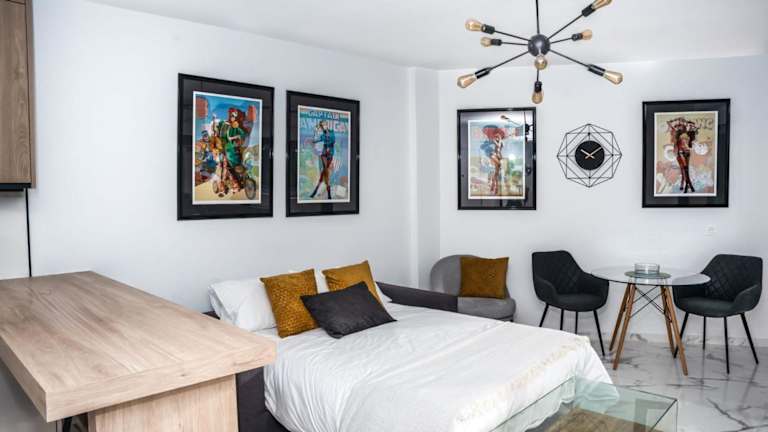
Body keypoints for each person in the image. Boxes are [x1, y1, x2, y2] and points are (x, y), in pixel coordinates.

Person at [309, 120, 336, 200]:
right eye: (322, 126)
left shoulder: (332, 132)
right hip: (324, 154)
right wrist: (313, 137)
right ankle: (329, 194)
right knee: (326, 171)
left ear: (326, 124)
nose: (324, 126)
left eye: (324, 124)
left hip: (330, 153)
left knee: (323, 174)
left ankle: (315, 191)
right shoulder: (322, 135)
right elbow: (317, 140)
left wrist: (328, 146)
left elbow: (333, 141)